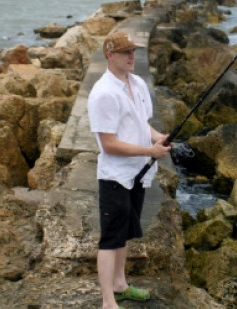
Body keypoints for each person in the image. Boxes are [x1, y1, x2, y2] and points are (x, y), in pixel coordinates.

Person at [88, 31, 171, 308]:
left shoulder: (137, 83)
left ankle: (121, 285)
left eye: (133, 51)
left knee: (123, 233)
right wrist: (150, 151)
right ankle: (108, 301)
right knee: (110, 238)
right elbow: (109, 144)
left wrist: (157, 137)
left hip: (138, 173)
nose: (131, 56)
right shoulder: (103, 93)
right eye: (125, 52)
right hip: (115, 177)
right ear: (109, 55)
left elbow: (140, 122)